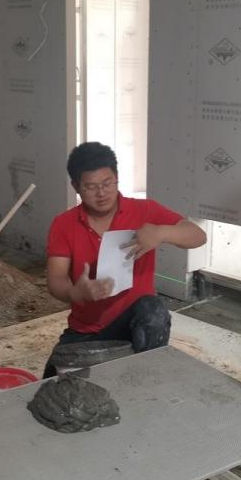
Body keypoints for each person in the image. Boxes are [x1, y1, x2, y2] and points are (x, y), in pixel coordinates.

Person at [43, 142, 207, 376]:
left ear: (117, 178)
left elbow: (198, 236)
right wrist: (75, 292)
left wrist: (162, 232)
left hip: (135, 325)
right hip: (87, 331)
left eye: (107, 183)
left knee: (153, 310)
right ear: (76, 187)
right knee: (52, 384)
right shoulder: (64, 224)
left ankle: (145, 375)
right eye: (91, 187)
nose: (101, 193)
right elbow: (56, 279)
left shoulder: (144, 211)